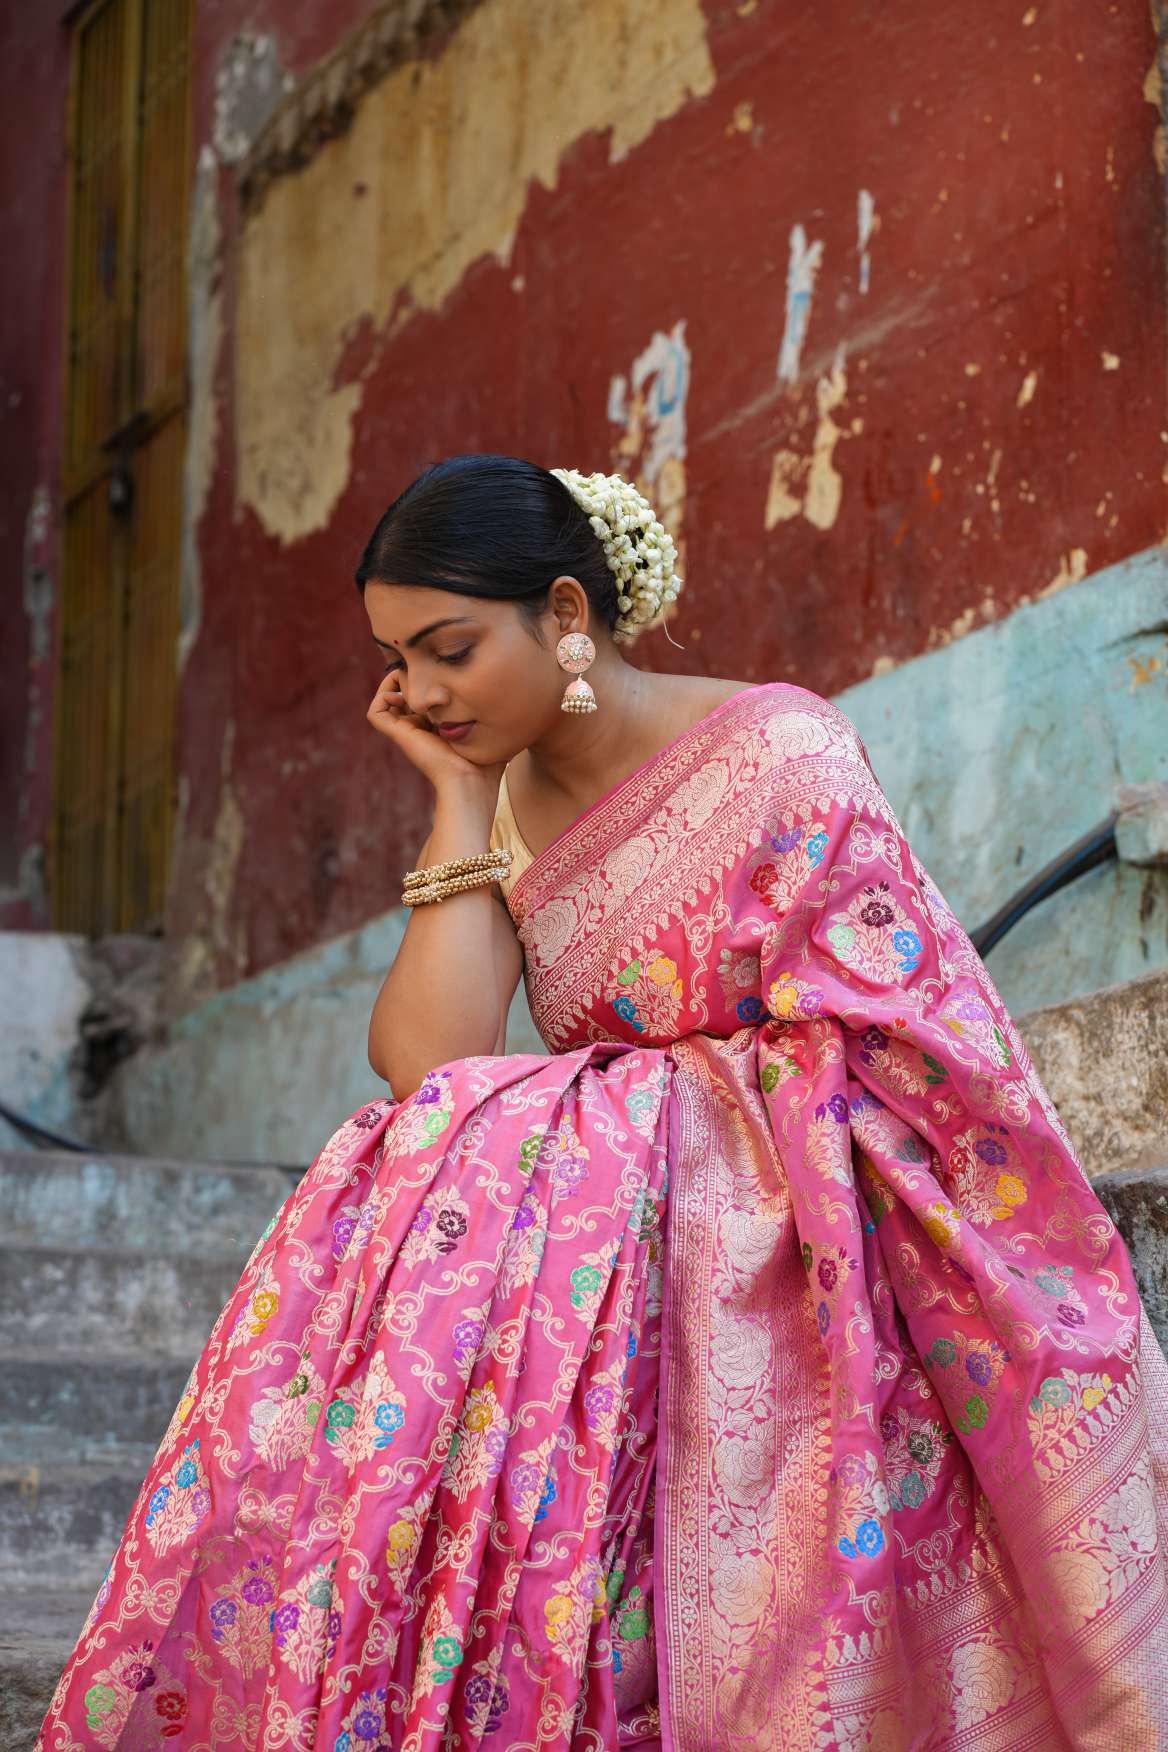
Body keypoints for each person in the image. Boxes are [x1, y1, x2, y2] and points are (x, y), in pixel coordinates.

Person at [38, 454, 1168, 1751]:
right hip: (629, 1251)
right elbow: (431, 1074)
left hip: (800, 1231)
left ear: (568, 616)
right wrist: (459, 802)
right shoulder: (504, 802)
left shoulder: (776, 751)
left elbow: (910, 1044)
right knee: (425, 1158)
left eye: (448, 649)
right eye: (397, 660)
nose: (416, 691)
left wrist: (655, 1117)